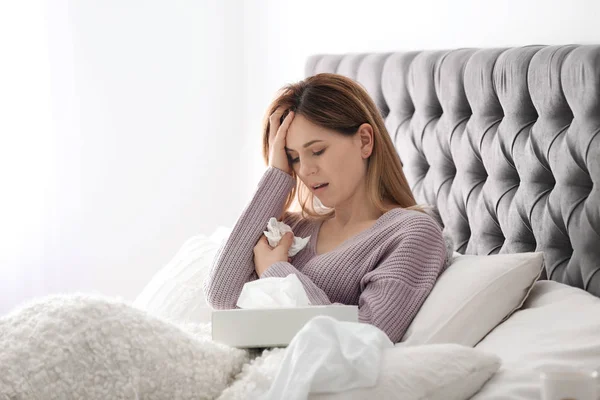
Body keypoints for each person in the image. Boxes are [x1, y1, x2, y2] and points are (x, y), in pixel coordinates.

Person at [203, 73, 449, 343]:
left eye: (317, 151)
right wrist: (276, 176)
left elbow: (367, 334)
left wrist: (276, 272)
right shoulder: (293, 229)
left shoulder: (411, 233)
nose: (306, 170)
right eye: (293, 158)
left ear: (365, 141)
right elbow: (222, 295)